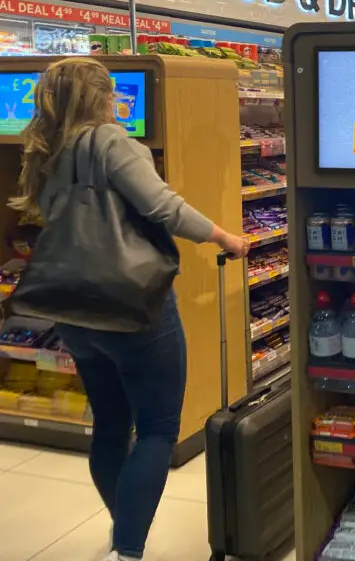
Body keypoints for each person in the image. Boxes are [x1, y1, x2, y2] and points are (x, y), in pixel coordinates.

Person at [10, 57, 249, 561]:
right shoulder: (111, 142)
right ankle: (129, 549)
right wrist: (225, 237)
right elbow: (164, 208)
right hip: (133, 307)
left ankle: (125, 526)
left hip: (72, 308)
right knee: (159, 428)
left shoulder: (44, 151)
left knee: (111, 426)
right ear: (101, 96)